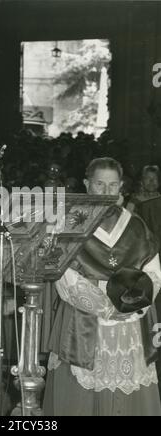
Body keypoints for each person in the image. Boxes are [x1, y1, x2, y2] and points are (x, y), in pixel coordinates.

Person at [43, 157, 161, 416]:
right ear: (87, 185)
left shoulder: (136, 224)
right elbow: (65, 277)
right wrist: (108, 307)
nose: (106, 192)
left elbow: (153, 269)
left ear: (121, 187)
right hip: (87, 319)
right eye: (99, 184)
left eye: (112, 185)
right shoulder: (69, 224)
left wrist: (134, 304)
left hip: (129, 322)